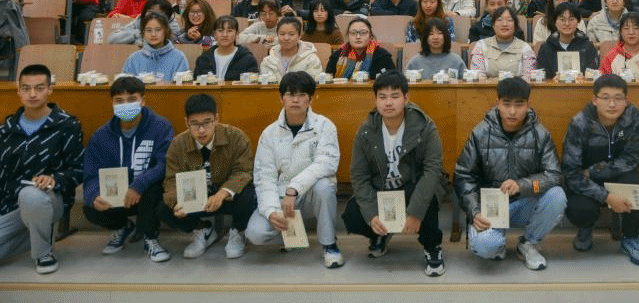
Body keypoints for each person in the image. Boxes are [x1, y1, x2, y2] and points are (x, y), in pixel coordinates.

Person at [454, 77, 566, 270]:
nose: (512, 111)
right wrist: (474, 211)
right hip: (490, 208)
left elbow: (554, 175)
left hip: (524, 203)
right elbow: (464, 176)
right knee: (486, 248)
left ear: (528, 105)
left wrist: (522, 185)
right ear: (497, 103)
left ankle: (528, 243)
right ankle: (497, 241)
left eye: (519, 105)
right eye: (506, 104)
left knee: (557, 195)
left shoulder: (541, 134)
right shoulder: (480, 133)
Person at [343, 71, 446, 276]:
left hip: (411, 186)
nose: (388, 103)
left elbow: (433, 170)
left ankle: (432, 247)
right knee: (353, 214)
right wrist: (372, 215)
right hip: (382, 190)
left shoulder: (424, 126)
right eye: (382, 97)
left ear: (406, 98)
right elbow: (359, 176)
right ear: (376, 100)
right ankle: (380, 234)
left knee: (428, 195)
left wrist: (415, 213)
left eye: (395, 96)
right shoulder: (365, 131)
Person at [245, 71, 343, 268]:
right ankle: (291, 236)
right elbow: (264, 176)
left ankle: (329, 245)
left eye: (301, 95)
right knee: (255, 234)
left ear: (311, 99)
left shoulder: (325, 126)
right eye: (290, 94)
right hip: (281, 199)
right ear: (281, 98)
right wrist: (271, 211)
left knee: (324, 186)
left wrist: (294, 188)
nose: (295, 100)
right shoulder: (269, 133)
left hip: (308, 196)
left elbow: (326, 163)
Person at [0, 64, 84, 274]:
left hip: (49, 199)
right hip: (10, 204)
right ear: (18, 91)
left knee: (31, 196)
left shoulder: (67, 125)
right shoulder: (6, 129)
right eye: (26, 88)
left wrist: (55, 179)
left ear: (49, 89)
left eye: (39, 88)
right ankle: (38, 235)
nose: (32, 94)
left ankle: (43, 254)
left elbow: (79, 169)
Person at [562, 74, 639, 265]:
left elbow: (632, 159)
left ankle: (630, 238)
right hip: (585, 182)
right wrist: (607, 197)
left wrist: (594, 171)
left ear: (626, 101)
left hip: (616, 175)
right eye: (605, 98)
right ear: (595, 100)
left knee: (638, 184)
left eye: (618, 98)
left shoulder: (633, 116)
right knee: (579, 208)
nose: (612, 104)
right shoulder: (580, 123)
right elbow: (571, 173)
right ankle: (585, 228)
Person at [83, 76, 174, 261]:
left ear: (143, 100)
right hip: (117, 195)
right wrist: (93, 195)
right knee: (90, 207)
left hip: (147, 192)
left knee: (153, 188)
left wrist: (139, 184)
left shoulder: (161, 126)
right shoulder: (100, 136)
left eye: (132, 99)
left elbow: (164, 163)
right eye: (119, 101)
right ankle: (123, 227)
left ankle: (150, 237)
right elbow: (90, 175)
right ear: (112, 103)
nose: (125, 105)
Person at [159, 91, 254, 262]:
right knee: (163, 208)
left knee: (248, 193)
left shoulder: (236, 137)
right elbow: (171, 180)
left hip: (226, 196)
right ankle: (202, 229)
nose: (201, 130)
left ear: (216, 119)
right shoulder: (178, 145)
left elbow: (243, 171)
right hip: (196, 198)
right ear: (186, 122)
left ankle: (238, 231)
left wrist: (222, 193)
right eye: (195, 124)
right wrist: (176, 202)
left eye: (206, 123)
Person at [535, 2, 600, 79]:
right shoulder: (546, 48)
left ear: (578, 22)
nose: (567, 23)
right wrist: (553, 80)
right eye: (562, 19)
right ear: (555, 22)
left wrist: (585, 78)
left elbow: (594, 74)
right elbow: (542, 76)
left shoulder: (587, 47)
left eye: (571, 19)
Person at [468, 6, 536, 78]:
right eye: (499, 20)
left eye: (509, 20)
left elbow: (528, 77)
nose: (504, 24)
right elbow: (478, 76)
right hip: (488, 85)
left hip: (517, 85)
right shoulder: (481, 46)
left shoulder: (525, 48)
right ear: (493, 25)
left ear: (515, 26)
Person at [122, 13, 190, 82]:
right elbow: (125, 86)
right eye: (148, 30)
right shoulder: (133, 59)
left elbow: (184, 85)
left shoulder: (179, 57)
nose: (153, 34)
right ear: (143, 32)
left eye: (158, 30)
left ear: (166, 31)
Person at [325, 16, 396, 80]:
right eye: (353, 33)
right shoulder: (338, 56)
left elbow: (393, 80)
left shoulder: (382, 56)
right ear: (348, 36)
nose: (358, 37)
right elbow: (327, 79)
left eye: (363, 33)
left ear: (370, 37)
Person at [195, 16, 259, 82]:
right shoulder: (204, 59)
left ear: (237, 34)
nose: (225, 35)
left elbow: (253, 83)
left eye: (229, 31)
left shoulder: (247, 59)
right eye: (220, 31)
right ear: (214, 34)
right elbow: (196, 82)